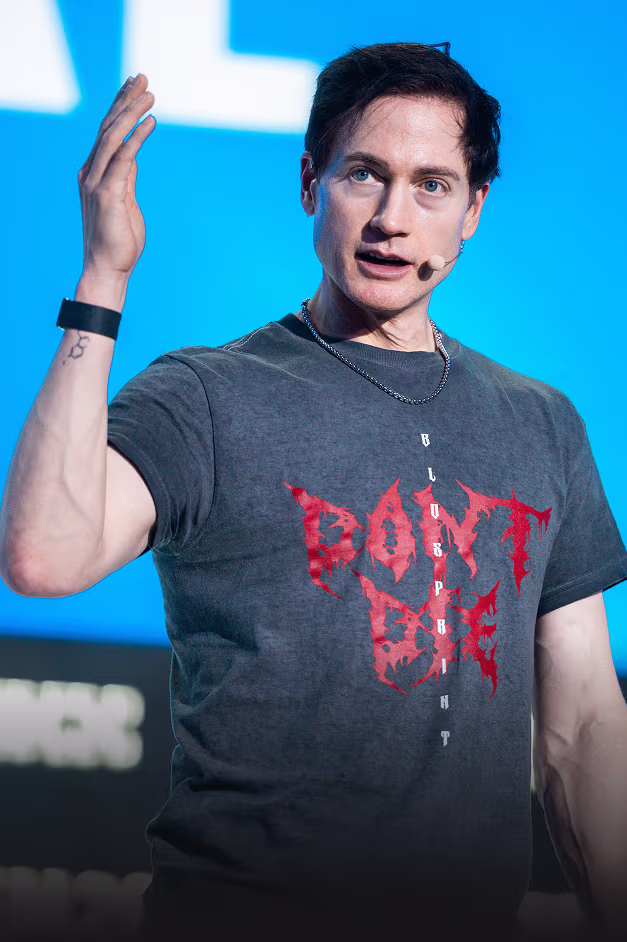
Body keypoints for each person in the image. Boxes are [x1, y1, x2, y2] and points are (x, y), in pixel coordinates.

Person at [1, 41, 626, 942]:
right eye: (363, 175)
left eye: (431, 186)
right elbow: (43, 555)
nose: (391, 218)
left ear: (473, 212)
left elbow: (581, 730)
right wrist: (104, 276)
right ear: (309, 182)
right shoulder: (206, 396)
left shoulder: (540, 423)